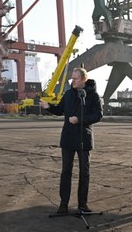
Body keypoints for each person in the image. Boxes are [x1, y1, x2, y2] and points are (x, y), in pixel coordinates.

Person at [40, 67, 103, 214]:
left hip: (84, 137)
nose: (72, 81)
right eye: (72, 78)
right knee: (66, 171)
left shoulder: (93, 96)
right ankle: (63, 204)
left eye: (75, 78)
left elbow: (98, 115)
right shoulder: (68, 94)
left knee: (84, 172)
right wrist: (48, 107)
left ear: (83, 80)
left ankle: (83, 204)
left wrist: (80, 120)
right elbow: (60, 110)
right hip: (68, 137)